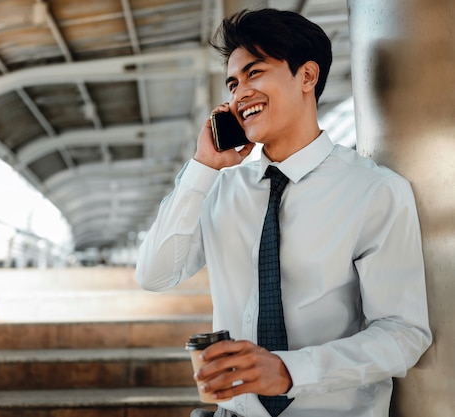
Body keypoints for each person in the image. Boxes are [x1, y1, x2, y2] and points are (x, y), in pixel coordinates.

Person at [135, 8, 431, 417]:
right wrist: (202, 169)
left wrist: (291, 371)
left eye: (255, 74)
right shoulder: (221, 189)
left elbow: (403, 334)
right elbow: (154, 275)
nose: (240, 94)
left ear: (307, 77)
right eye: (233, 83)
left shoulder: (374, 191)